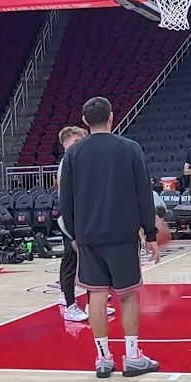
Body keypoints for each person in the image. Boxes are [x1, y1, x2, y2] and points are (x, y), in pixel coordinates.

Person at [58, 96, 161, 379]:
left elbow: (65, 201)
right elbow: (144, 194)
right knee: (127, 296)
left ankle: (103, 359)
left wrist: (74, 235)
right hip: (123, 234)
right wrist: (150, 233)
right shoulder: (130, 148)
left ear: (84, 121)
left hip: (89, 235)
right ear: (112, 117)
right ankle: (133, 357)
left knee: (96, 295)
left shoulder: (73, 154)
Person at [57, 125, 112, 323]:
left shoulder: (83, 162)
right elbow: (67, 198)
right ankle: (69, 304)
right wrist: (72, 230)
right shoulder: (66, 164)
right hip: (71, 220)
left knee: (91, 263)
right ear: (65, 144)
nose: (79, 145)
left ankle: (92, 304)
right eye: (75, 141)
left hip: (86, 219)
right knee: (70, 262)